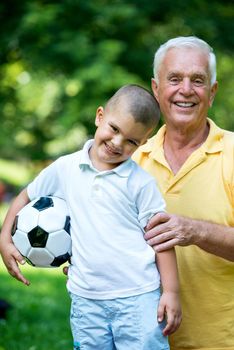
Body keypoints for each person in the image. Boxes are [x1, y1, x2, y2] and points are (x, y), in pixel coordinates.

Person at [0, 84, 182, 349]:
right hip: (86, 298)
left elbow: (161, 239)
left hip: (138, 297)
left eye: (131, 141)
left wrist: (172, 292)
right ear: (99, 117)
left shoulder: (140, 183)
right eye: (114, 129)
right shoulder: (66, 168)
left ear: (142, 144)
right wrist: (5, 239)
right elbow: (25, 196)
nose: (117, 143)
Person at [132, 36, 234, 350]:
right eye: (174, 79)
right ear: (156, 88)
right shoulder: (132, 162)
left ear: (213, 92)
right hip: (143, 341)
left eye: (198, 80)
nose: (185, 90)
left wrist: (194, 230)